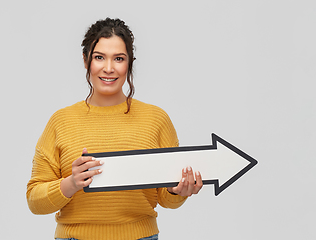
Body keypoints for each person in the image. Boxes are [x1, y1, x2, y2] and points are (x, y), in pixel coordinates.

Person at [27, 17, 203, 240]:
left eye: (118, 58)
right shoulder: (61, 121)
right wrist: (71, 183)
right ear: (85, 60)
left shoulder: (156, 119)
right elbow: (34, 200)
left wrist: (178, 191)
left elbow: (166, 199)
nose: (108, 68)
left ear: (129, 63)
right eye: (99, 57)